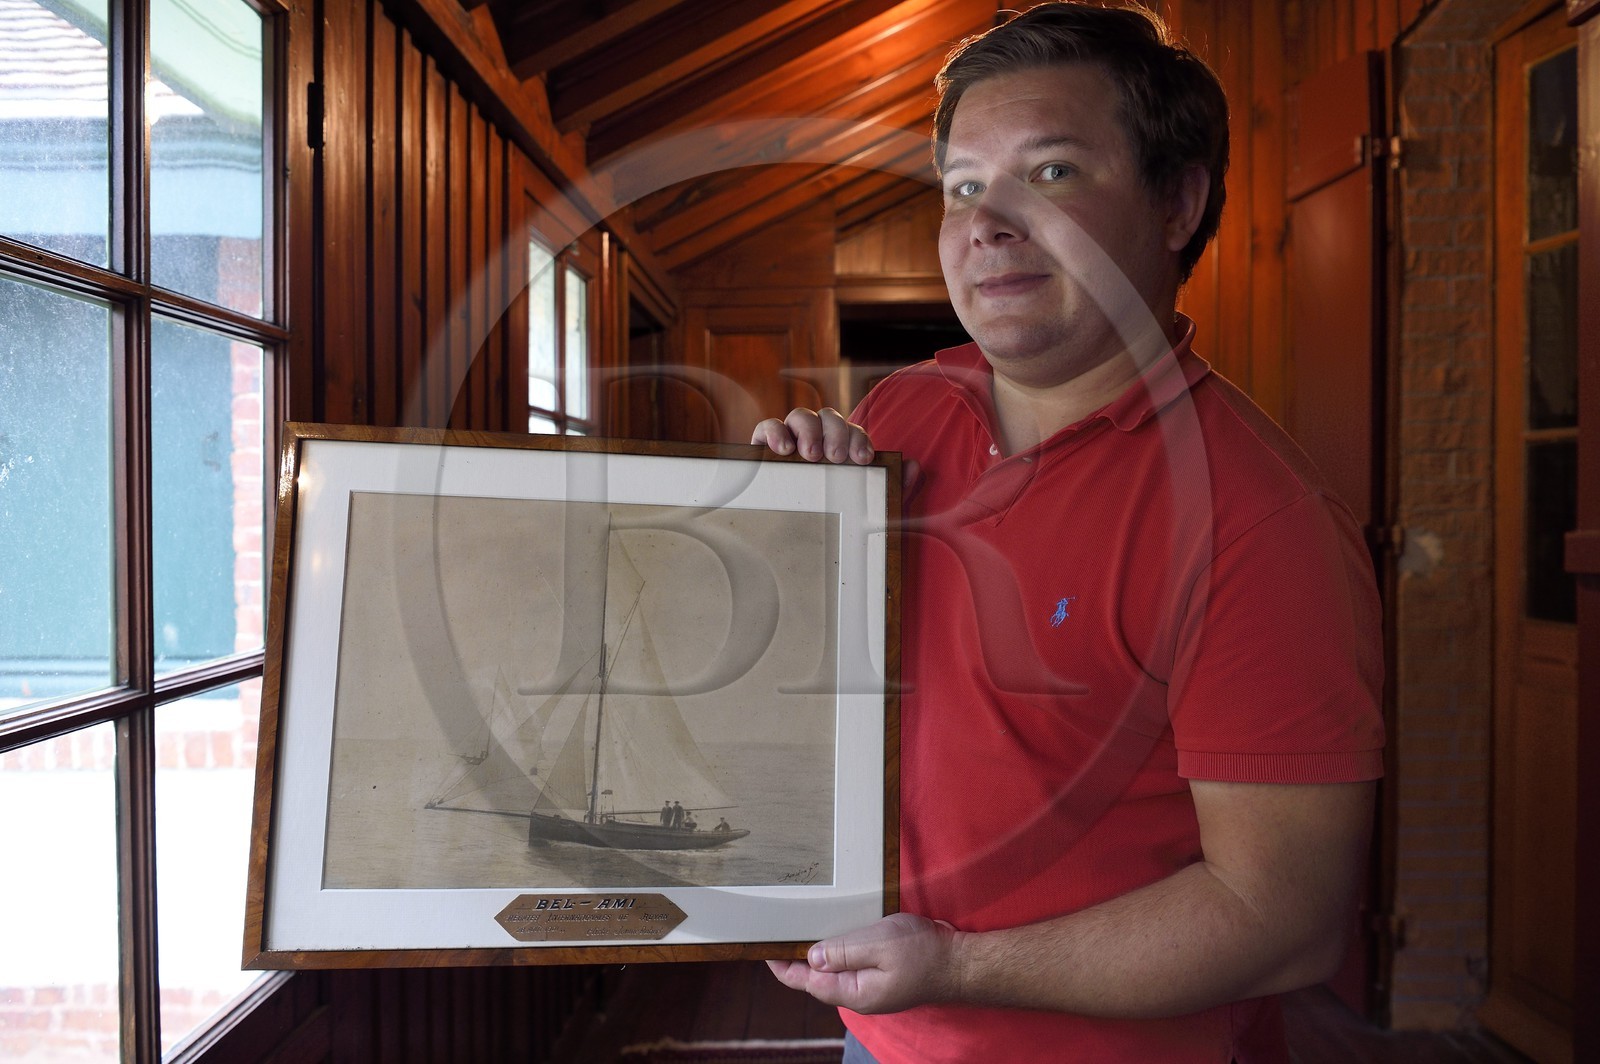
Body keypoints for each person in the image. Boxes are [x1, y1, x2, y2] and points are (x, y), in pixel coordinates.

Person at [752, 4, 1385, 1062]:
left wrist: (956, 967)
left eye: (1050, 172)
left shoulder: (1260, 522)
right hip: (879, 1037)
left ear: (1176, 201)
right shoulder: (900, 413)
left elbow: (1282, 918)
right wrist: (780, 522)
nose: (987, 223)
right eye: (962, 186)